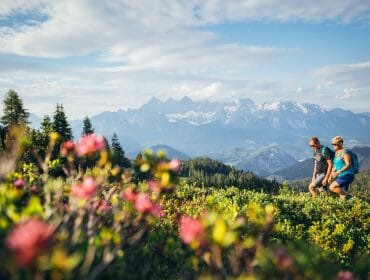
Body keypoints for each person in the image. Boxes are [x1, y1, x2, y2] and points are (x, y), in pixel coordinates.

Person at [328, 136, 354, 200]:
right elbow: (335, 166)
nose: (333, 146)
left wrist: (338, 172)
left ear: (341, 143)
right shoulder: (336, 153)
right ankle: (352, 205)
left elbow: (348, 164)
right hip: (341, 175)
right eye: (332, 144)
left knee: (332, 187)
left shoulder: (345, 152)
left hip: (347, 175)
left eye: (335, 144)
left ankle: (352, 197)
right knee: (342, 197)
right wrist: (330, 175)